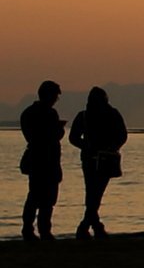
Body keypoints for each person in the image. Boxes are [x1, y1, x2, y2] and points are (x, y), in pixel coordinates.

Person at [69, 87, 128, 240]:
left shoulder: (86, 116)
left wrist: (89, 146)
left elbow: (73, 138)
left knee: (93, 193)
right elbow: (122, 135)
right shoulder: (107, 114)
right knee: (95, 194)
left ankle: (90, 227)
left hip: (98, 158)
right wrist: (110, 147)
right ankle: (90, 227)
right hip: (99, 159)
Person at [20, 80, 65, 241]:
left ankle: (35, 230)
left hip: (42, 160)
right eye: (54, 96)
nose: (55, 100)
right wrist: (57, 130)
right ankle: (38, 230)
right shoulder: (48, 114)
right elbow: (42, 137)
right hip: (43, 161)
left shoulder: (28, 113)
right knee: (40, 198)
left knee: (40, 197)